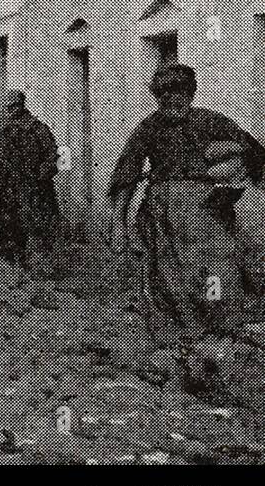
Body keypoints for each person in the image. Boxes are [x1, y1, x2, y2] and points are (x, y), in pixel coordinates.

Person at [109, 63, 265, 349]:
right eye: (164, 95)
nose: (172, 100)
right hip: (164, 211)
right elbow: (127, 175)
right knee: (168, 273)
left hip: (206, 210)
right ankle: (185, 335)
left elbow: (253, 151)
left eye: (179, 93)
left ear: (191, 94)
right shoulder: (148, 128)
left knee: (216, 266)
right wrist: (118, 223)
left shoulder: (210, 121)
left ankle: (222, 325)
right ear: (157, 97)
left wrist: (235, 176)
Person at [0, 91, 61, 278]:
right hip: (10, 187)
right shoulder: (3, 130)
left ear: (21, 106)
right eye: (6, 107)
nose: (8, 111)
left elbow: (53, 156)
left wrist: (39, 176)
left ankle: (42, 267)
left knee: (39, 226)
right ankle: (17, 266)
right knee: (11, 226)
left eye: (12, 107)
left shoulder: (38, 129)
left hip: (35, 188)